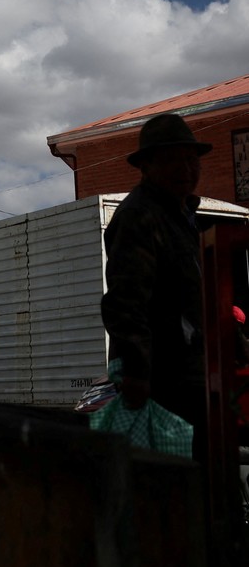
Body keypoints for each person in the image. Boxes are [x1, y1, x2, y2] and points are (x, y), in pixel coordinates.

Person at [101, 112, 210, 432]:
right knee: (171, 475)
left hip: (191, 373)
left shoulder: (181, 216)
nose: (186, 169)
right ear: (146, 167)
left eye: (191, 159)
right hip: (164, 379)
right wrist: (137, 373)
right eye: (172, 160)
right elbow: (126, 300)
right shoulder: (140, 216)